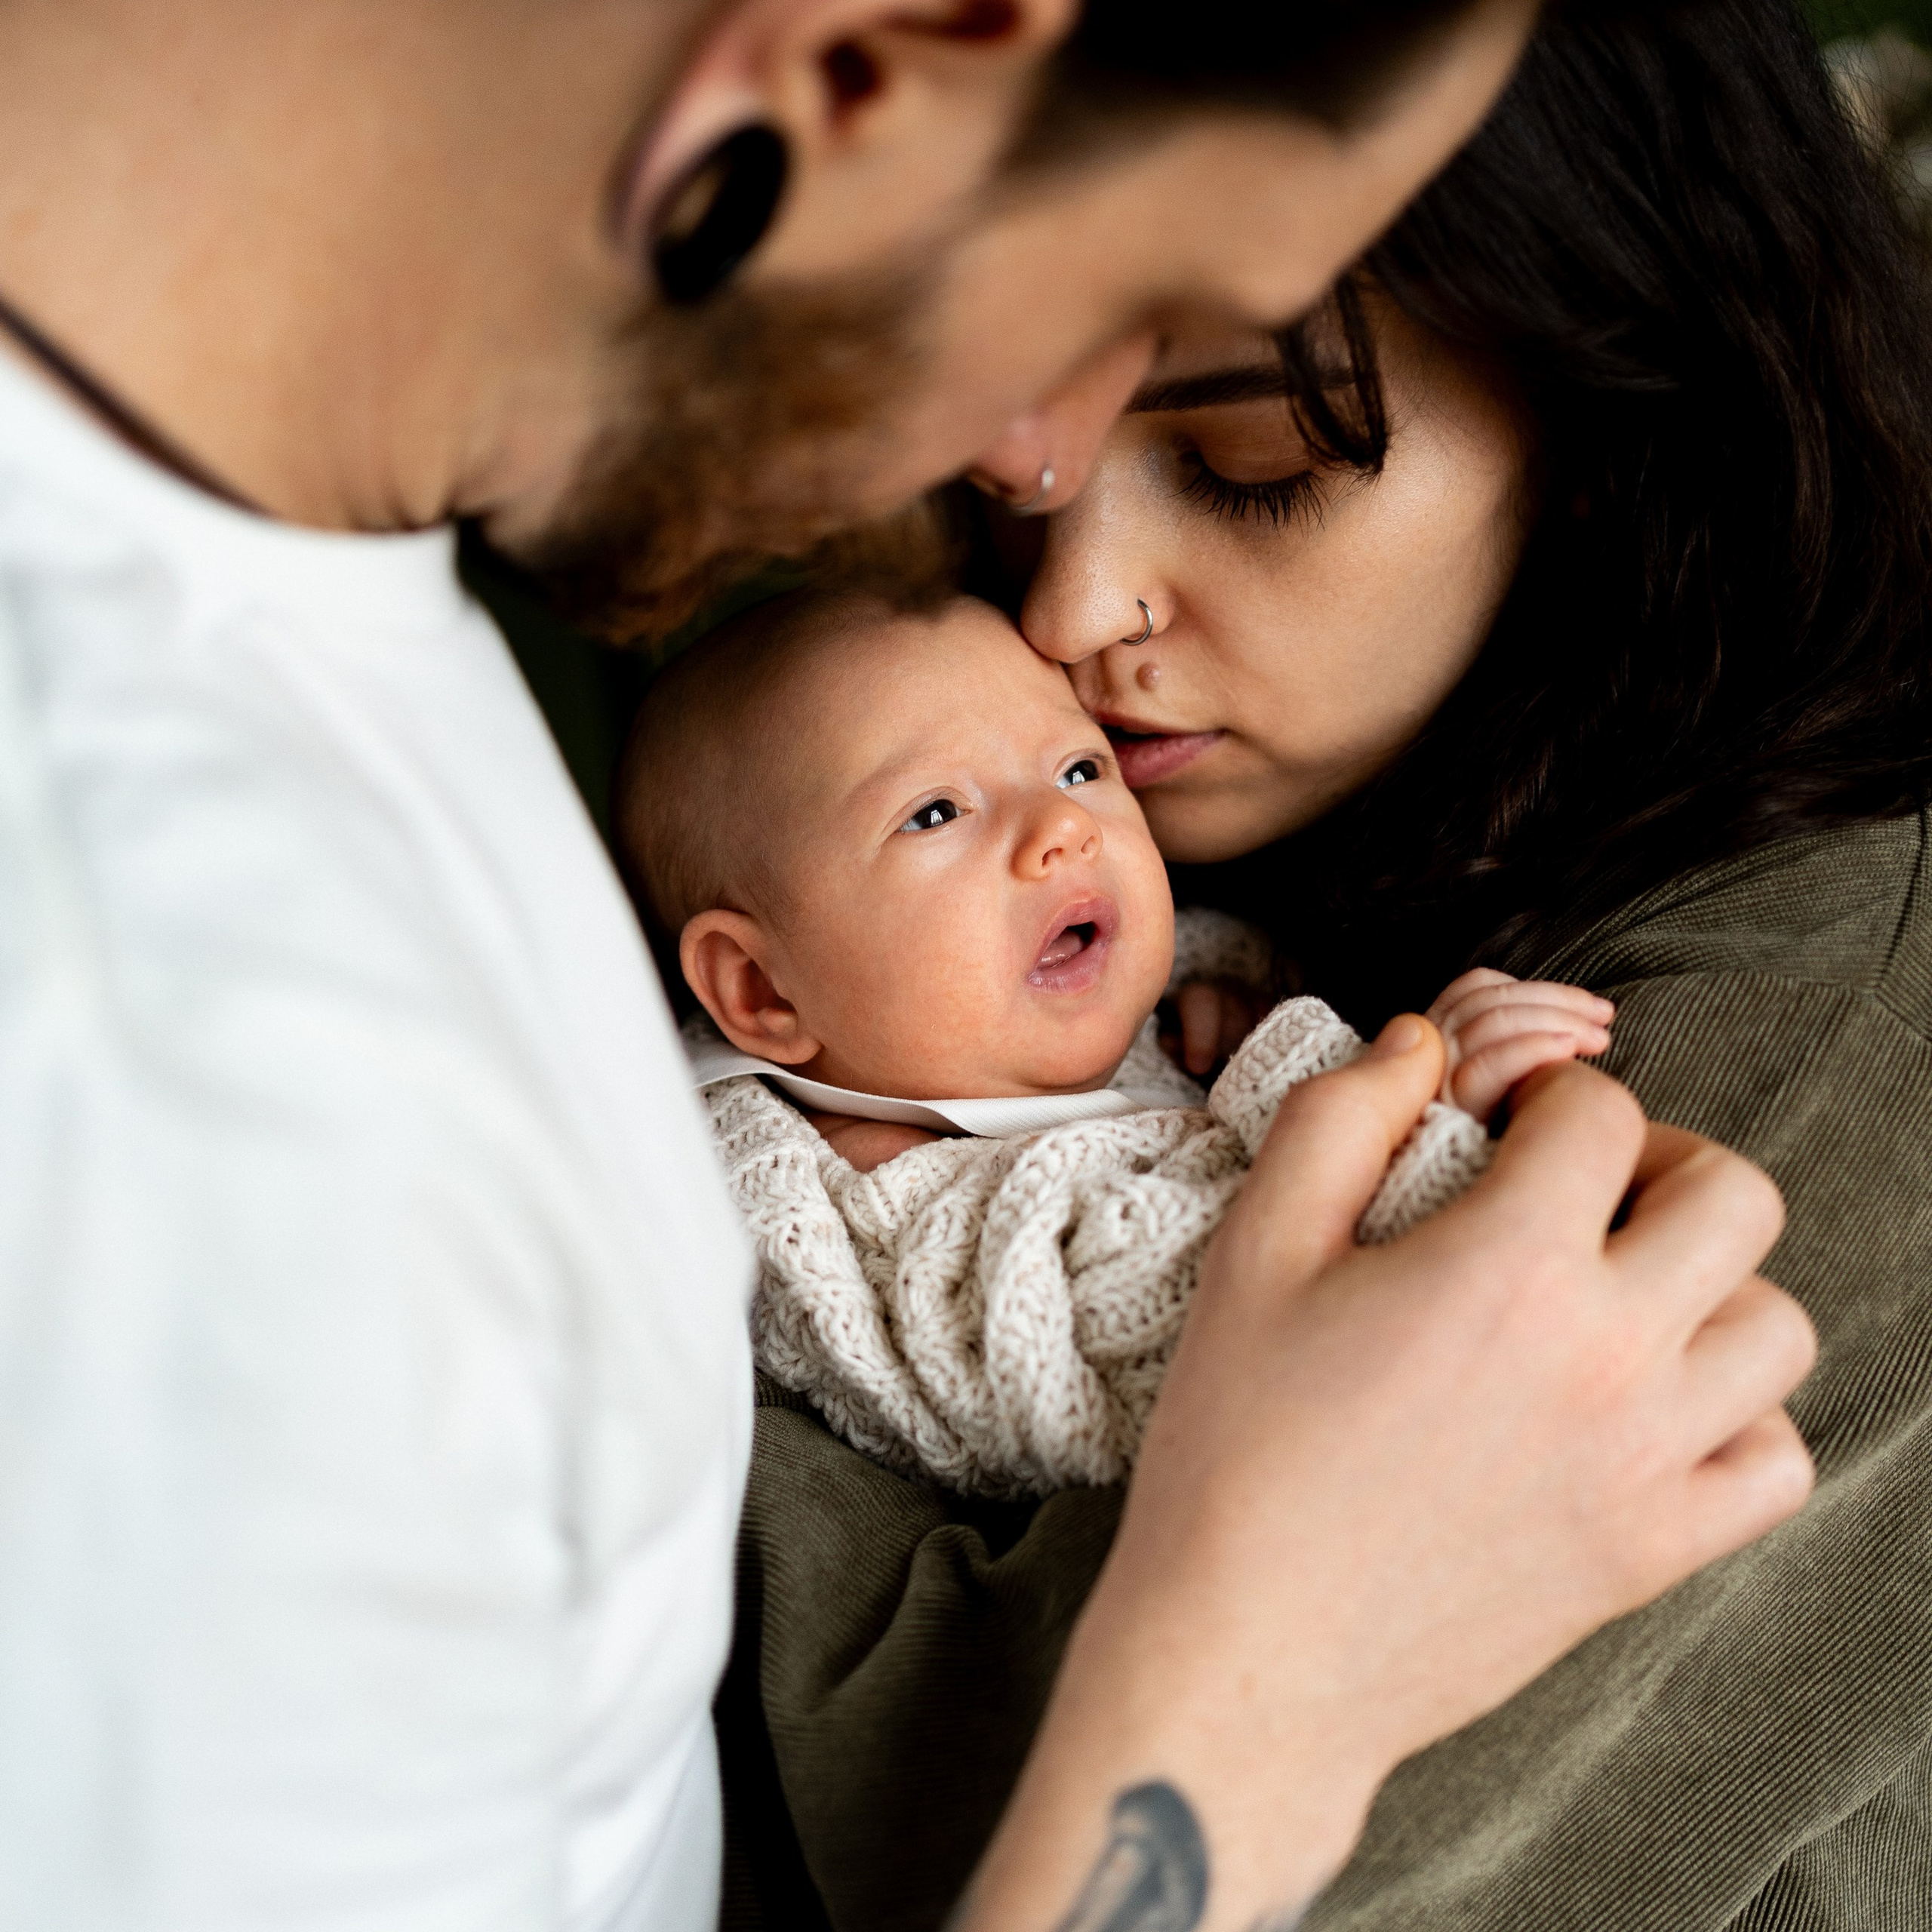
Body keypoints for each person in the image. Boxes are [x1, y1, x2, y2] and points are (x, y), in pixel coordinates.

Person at [0, 2, 1815, 1930]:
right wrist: (1265, 1677)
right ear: (876, 53)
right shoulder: (170, 1060)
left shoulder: (290, 639)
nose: (1029, 496)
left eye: (1247, 445)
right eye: (1108, 303)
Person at [722, 2, 1932, 1926]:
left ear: (1619, 424)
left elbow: (964, 1822)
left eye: (1252, 462)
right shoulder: (1253, 886)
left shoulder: (1811, 1053)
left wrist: (711, 1359)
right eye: (1002, 479)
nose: (1063, 606)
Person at [619, 586, 1609, 1494]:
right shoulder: (878, 1212)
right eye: (936, 811)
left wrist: (1228, 1028)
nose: (1063, 825)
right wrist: (1413, 1100)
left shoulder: (1004, 1033)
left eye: (1080, 766)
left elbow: (1150, 1079)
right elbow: (1190, 1334)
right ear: (763, 990)